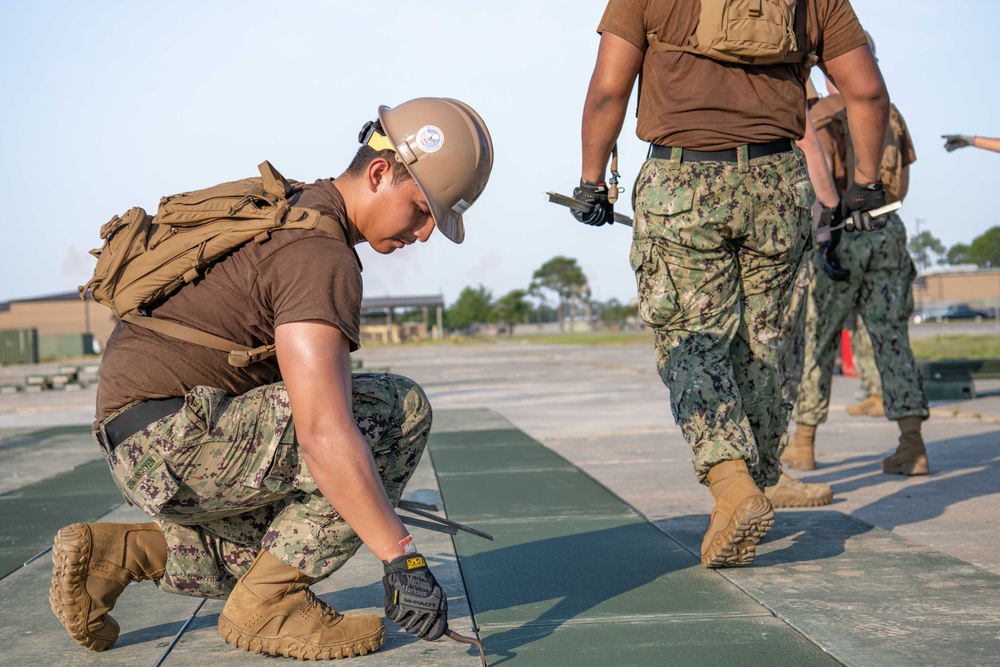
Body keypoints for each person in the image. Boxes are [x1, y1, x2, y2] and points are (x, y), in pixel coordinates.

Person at [49, 97, 494, 659]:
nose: (426, 233)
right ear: (379, 173)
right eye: (423, 209)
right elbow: (324, 434)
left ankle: (120, 554)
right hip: (173, 439)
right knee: (391, 414)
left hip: (145, 436)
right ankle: (269, 605)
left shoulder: (298, 207)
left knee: (308, 514)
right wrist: (402, 556)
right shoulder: (318, 253)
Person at [572, 0, 890, 568]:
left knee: (690, 338)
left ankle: (732, 483)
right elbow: (865, 92)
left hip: (680, 181)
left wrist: (592, 181)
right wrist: (864, 182)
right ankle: (752, 483)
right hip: (777, 182)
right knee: (767, 342)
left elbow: (607, 92)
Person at [784, 62, 930, 476]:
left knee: (818, 340)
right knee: (893, 339)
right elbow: (901, 180)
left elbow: (819, 182)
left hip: (842, 231)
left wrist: (823, 237)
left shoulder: (824, 114)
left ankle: (804, 443)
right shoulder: (891, 112)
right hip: (888, 227)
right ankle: (912, 445)